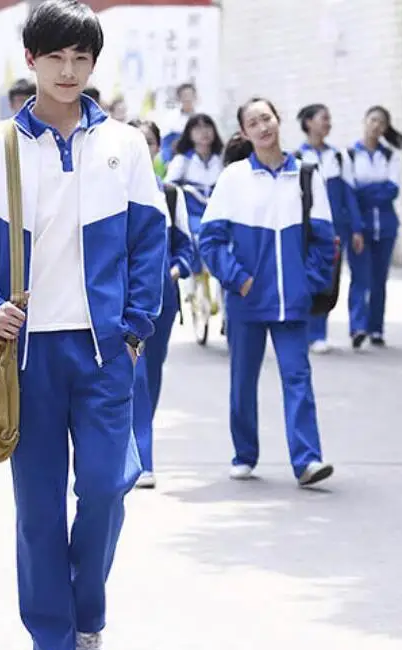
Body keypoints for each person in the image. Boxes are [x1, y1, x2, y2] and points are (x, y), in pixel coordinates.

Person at [0, 0, 166, 650]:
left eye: (80, 58)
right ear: (31, 61)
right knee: (38, 506)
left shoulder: (125, 146)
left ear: (92, 64)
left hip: (103, 354)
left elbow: (147, 245)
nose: (67, 70)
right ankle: (50, 645)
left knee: (106, 486)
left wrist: (134, 329)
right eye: (55, 57)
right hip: (26, 358)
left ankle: (87, 625)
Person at [198, 97, 335, 487]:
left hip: (293, 301)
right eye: (253, 122)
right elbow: (210, 240)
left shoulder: (308, 175)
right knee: (243, 382)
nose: (263, 126)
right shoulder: (234, 178)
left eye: (267, 118)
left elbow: (325, 240)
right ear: (244, 132)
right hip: (246, 301)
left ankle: (307, 460)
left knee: (298, 378)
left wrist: (307, 284)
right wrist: (238, 280)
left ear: (278, 121)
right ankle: (244, 453)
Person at [130, 120, 193, 489]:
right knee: (134, 376)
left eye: (149, 142)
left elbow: (186, 248)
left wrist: (173, 271)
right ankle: (142, 458)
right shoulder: (109, 190)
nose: (142, 147)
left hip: (163, 298)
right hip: (123, 298)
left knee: (150, 375)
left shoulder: (169, 194)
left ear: (156, 149)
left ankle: (139, 441)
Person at [295, 104, 364, 353]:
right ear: (308, 122)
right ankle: (302, 331)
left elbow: (349, 194)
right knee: (305, 277)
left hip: (334, 229)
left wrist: (356, 229)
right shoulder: (296, 158)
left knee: (328, 280)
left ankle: (319, 332)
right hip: (305, 229)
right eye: (324, 118)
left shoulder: (339, 157)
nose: (328, 123)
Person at [348, 105, 402, 348]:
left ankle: (376, 328)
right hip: (360, 226)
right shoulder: (350, 155)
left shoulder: (391, 156)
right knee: (360, 276)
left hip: (387, 227)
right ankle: (358, 326)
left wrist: (365, 190)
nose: (376, 126)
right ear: (364, 121)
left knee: (380, 279)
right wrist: (372, 190)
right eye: (372, 120)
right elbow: (350, 192)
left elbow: (392, 190)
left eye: (381, 122)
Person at [165, 113, 224, 266]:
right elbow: (168, 190)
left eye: (207, 126)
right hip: (192, 220)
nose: (204, 132)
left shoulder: (221, 159)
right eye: (198, 128)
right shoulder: (182, 161)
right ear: (189, 133)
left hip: (218, 217)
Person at [160, 81, 196, 163]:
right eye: (185, 96)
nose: (188, 99)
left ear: (195, 97)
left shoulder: (201, 118)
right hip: (175, 159)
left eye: (190, 95)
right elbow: (165, 143)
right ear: (179, 98)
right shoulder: (171, 118)